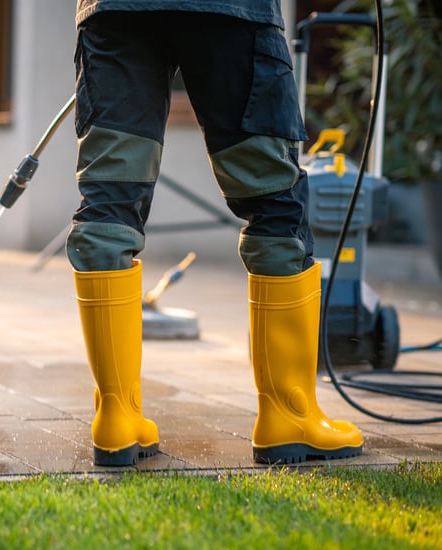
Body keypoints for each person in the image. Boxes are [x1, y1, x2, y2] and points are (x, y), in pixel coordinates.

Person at [67, 0, 364, 466]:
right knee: (272, 204)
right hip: (230, 10)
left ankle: (116, 419)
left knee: (109, 205)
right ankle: (289, 416)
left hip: (116, 9)